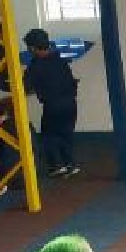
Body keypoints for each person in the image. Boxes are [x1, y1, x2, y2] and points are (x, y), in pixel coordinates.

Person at [21, 29, 80, 177]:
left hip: (53, 106)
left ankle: (56, 166)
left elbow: (25, 86)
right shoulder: (60, 60)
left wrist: (0, 84)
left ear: (33, 48)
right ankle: (70, 164)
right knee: (66, 134)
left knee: (49, 136)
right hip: (70, 104)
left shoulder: (36, 65)